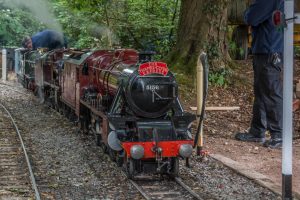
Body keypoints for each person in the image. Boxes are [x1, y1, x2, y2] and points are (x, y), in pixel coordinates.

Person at [235, 0, 284, 148]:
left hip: (269, 48)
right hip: (265, 48)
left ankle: (278, 135)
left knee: (270, 92)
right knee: (261, 92)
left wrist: (248, 12)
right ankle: (257, 132)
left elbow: (250, 17)